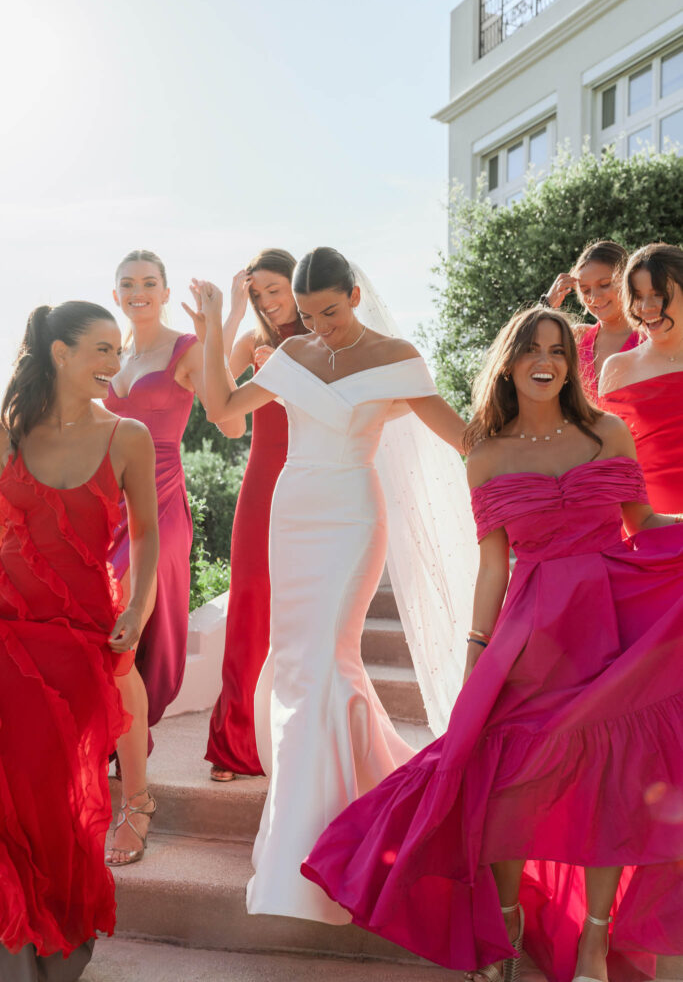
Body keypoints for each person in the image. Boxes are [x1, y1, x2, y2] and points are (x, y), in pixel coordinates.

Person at [302, 306, 683, 982]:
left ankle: (594, 945)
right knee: (505, 782)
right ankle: (503, 924)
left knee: (610, 782)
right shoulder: (484, 454)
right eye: (531, 349)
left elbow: (643, 522)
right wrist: (477, 647)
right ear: (508, 362)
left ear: (571, 363)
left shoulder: (606, 431)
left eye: (558, 350)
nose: (546, 360)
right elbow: (493, 563)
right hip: (533, 628)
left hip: (611, 621)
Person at [194, 246, 470, 924]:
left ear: (354, 293)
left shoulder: (396, 356)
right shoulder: (291, 357)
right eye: (310, 315)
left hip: (350, 514)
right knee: (295, 664)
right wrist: (210, 331)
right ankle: (340, 805)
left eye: (331, 311)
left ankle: (313, 839)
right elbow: (222, 406)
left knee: (325, 658)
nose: (321, 326)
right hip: (293, 513)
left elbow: (462, 436)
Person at [0, 302, 158, 981]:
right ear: (59, 353)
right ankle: (17, 942)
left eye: (117, 351)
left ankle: (57, 937)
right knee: (13, 801)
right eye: (99, 349)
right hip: (10, 637)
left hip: (88, 638)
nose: (112, 363)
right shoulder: (10, 431)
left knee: (61, 800)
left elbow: (148, 535)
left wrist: (142, 608)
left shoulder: (128, 436)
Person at [104, 248, 237, 866]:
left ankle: (134, 778)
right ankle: (114, 737)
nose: (139, 292)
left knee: (137, 625)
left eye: (149, 283)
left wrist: (214, 332)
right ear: (116, 293)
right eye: (128, 283)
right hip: (101, 500)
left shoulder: (185, 349)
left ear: (163, 291)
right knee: (96, 619)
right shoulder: (110, 356)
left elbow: (222, 410)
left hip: (157, 500)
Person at [205, 248, 306, 782]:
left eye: (275, 289)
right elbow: (212, 392)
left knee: (301, 610)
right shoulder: (254, 340)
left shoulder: (322, 336)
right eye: (257, 292)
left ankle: (292, 738)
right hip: (262, 481)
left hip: (314, 481)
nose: (268, 300)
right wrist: (232, 317)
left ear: (296, 284)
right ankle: (234, 742)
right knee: (248, 597)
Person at [600, 242, 683, 511]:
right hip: (650, 541)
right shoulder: (617, 369)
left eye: (659, 294)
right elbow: (609, 466)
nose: (646, 307)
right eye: (637, 295)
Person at [542, 240, 639, 402]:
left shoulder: (653, 336)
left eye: (605, 285)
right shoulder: (576, 337)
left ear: (627, 280)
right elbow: (517, 355)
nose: (594, 297)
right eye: (585, 290)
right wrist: (545, 306)